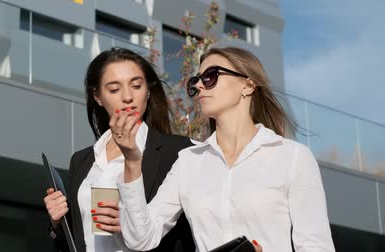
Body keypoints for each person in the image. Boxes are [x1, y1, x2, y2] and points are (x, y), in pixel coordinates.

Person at [115, 46, 335, 252]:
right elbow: (141, 239)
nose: (199, 86)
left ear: (247, 86)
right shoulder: (188, 161)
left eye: (211, 76)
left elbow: (316, 246)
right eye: (197, 80)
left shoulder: (292, 157)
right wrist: (132, 162)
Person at [43, 47, 195, 252]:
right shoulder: (82, 160)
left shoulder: (179, 151)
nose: (127, 97)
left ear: (148, 91)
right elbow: (77, 239)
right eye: (114, 89)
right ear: (98, 97)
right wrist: (57, 223)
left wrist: (133, 225)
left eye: (136, 86)